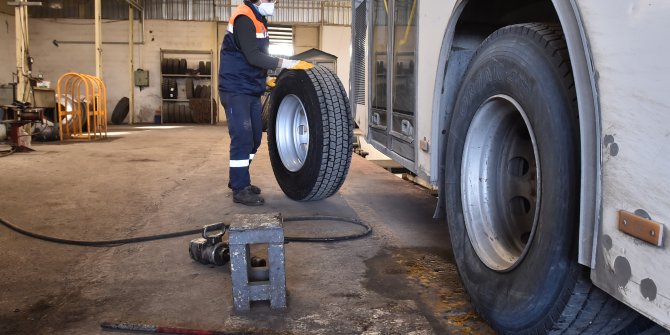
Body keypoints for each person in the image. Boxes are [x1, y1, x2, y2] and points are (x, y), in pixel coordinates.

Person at [219, 0, 313, 206]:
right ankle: (239, 188)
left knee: (254, 139)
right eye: (272, 0)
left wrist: (263, 80)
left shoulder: (259, 18)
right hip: (235, 90)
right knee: (242, 138)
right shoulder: (244, 17)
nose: (275, 3)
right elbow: (253, 57)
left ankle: (237, 177)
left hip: (250, 88)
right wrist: (288, 63)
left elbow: (253, 55)